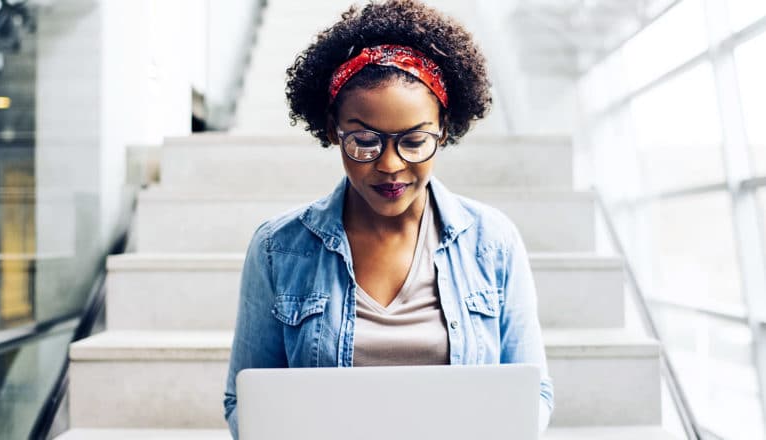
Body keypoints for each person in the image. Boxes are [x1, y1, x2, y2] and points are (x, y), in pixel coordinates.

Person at [224, 1, 554, 437]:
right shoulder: (278, 247)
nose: (391, 165)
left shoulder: (493, 241)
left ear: (444, 131)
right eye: (364, 141)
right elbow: (244, 405)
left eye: (415, 141)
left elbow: (534, 394)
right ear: (331, 131)